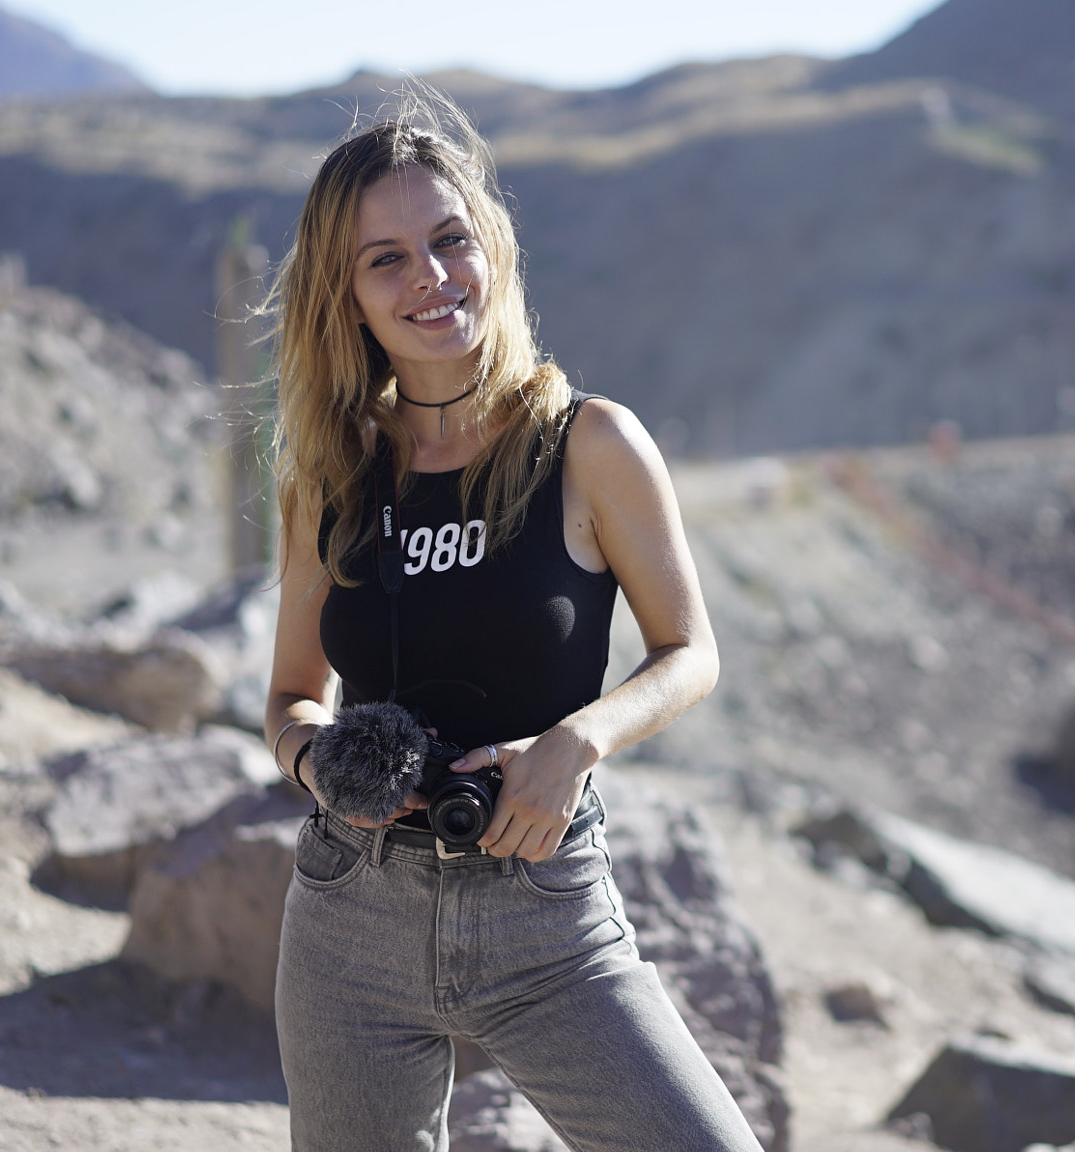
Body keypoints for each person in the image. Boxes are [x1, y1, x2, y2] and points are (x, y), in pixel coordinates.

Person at [260, 101, 762, 1152]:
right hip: (352, 914)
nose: (430, 279)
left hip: (545, 917)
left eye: (449, 241)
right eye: (385, 260)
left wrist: (573, 745)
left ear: (490, 248)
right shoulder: (328, 475)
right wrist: (322, 765)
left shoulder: (590, 443)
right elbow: (289, 698)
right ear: (344, 297)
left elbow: (690, 652)